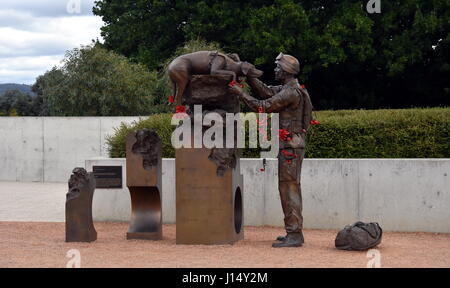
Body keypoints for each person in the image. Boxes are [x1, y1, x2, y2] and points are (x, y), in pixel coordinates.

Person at [229, 53, 313, 247]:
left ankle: (295, 234)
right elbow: (266, 92)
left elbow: (264, 106)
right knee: (287, 187)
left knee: (289, 188)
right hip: (290, 146)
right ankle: (293, 231)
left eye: (277, 67)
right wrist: (248, 74)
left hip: (291, 147)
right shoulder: (289, 88)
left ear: (285, 70)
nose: (274, 70)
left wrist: (240, 93)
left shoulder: (290, 92)